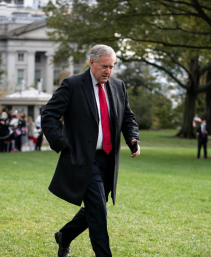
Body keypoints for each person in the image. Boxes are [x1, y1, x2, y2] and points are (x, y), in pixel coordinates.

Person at [42, 44, 140, 257]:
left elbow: (127, 117)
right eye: (105, 66)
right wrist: (63, 144)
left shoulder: (118, 86)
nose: (108, 71)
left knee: (95, 208)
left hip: (108, 159)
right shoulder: (73, 85)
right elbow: (48, 115)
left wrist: (133, 138)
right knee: (98, 212)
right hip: (84, 159)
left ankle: (65, 236)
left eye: (112, 67)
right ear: (92, 62)